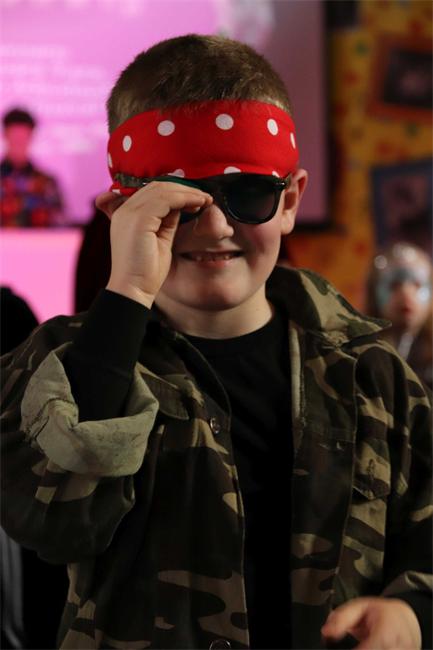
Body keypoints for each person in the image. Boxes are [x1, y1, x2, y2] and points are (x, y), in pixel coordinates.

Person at [0, 34, 431, 650]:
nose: (216, 227)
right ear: (121, 211)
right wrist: (128, 289)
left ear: (289, 200)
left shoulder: (374, 376)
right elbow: (47, 520)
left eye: (248, 193)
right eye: (178, 205)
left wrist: (412, 613)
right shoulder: (59, 368)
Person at [366, 242, 433, 390]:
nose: (406, 294)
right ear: (374, 291)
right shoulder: (361, 355)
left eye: (417, 284)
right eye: (394, 284)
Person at [0, 107, 65, 227]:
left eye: (22, 138)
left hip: (40, 238)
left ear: (31, 137)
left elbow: (60, 222)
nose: (19, 143)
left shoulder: (46, 183)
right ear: (5, 135)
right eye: (15, 138)